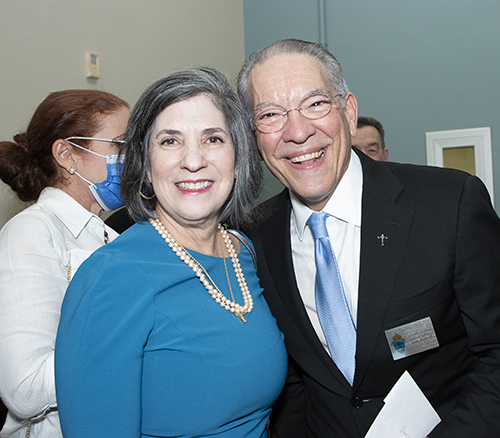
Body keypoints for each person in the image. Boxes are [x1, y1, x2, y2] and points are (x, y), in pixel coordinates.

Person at [236, 39, 500, 437]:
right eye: (270, 114)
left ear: (349, 112)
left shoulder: (449, 204)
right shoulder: (253, 237)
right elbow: (294, 388)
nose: (297, 131)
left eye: (315, 104)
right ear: (254, 137)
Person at [55, 67, 287, 438]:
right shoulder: (111, 277)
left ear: (239, 157)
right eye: (170, 141)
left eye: (212, 139)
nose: (192, 161)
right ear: (145, 166)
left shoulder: (243, 252)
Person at [0, 89, 129, 438]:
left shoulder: (111, 238)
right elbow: (24, 388)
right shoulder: (31, 232)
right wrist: (135, 351)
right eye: (119, 145)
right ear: (67, 153)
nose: (131, 158)